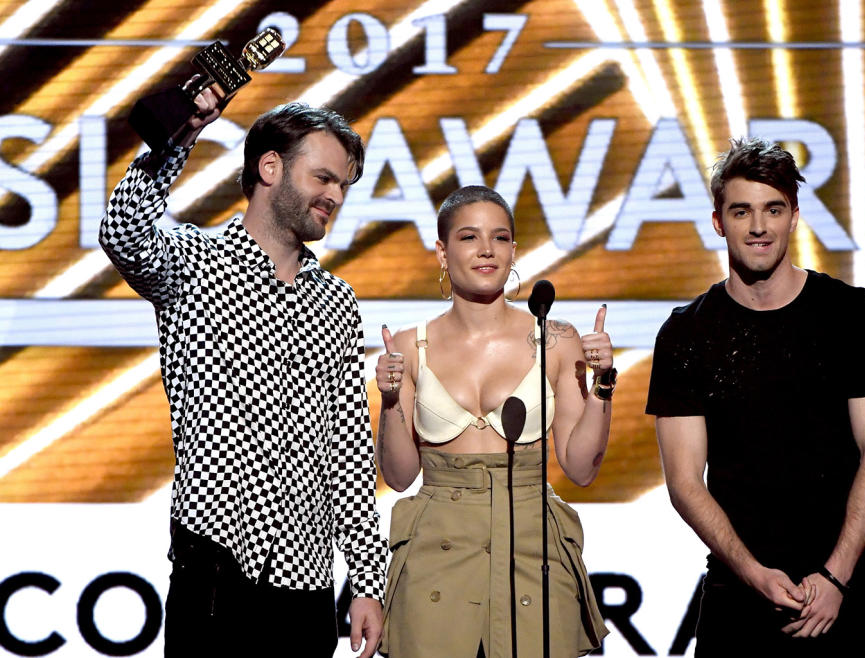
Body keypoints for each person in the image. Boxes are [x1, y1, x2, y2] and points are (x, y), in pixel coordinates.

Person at [99, 89, 387, 657]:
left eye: (344, 186)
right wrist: (182, 135)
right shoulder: (192, 262)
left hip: (305, 585)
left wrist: (368, 583)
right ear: (270, 167)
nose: (335, 195)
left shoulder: (336, 300)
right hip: (214, 572)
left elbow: (349, 450)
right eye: (323, 177)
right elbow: (123, 234)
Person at [646, 137, 865, 657]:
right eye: (742, 211)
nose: (759, 227)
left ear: (794, 217)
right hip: (736, 596)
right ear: (718, 221)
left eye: (773, 210)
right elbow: (684, 483)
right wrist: (753, 574)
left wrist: (835, 576)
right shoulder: (685, 333)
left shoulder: (850, 315)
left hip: (844, 591)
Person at [373, 185, 613, 657]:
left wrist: (604, 385)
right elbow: (399, 476)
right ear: (442, 251)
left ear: (513, 251)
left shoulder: (557, 340)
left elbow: (581, 468)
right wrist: (388, 401)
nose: (486, 250)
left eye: (500, 238)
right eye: (469, 237)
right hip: (436, 549)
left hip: (531, 549)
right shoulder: (407, 345)